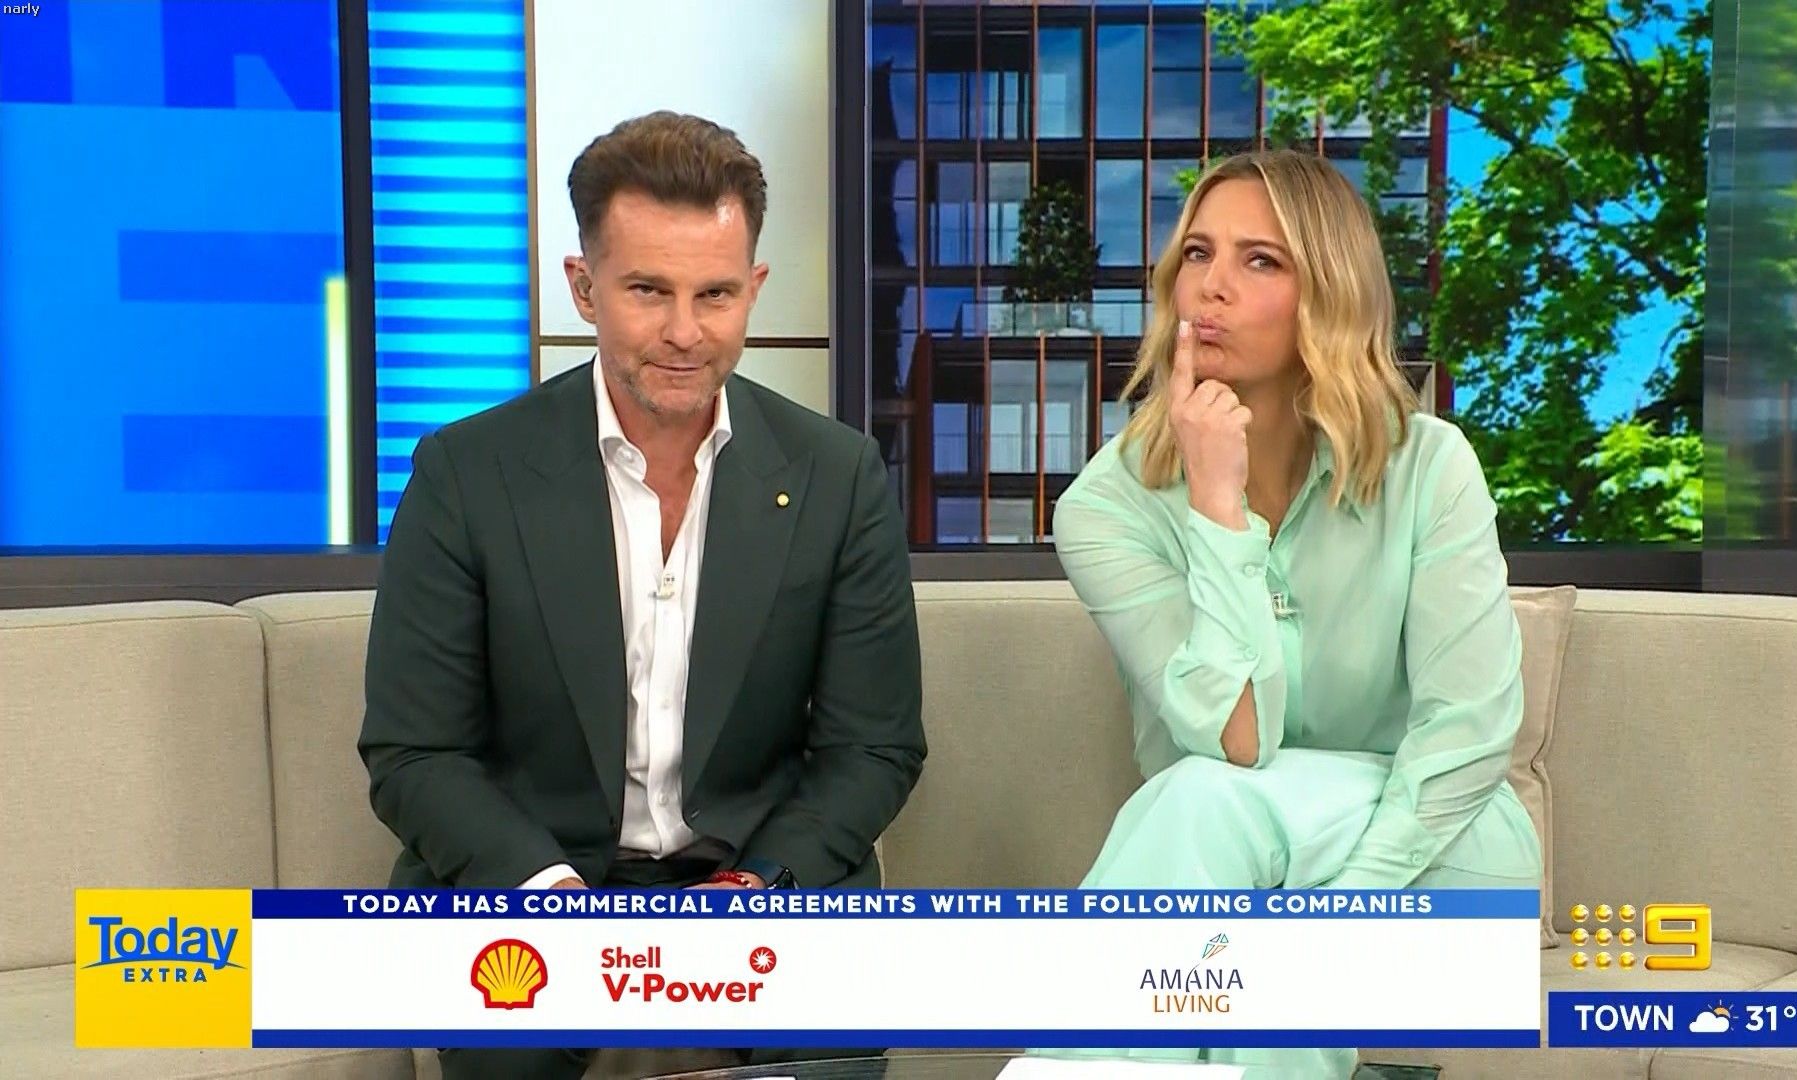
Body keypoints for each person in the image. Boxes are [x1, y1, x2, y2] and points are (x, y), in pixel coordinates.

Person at [358, 111, 925, 1080]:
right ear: (584, 287)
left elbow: (873, 748)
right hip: (536, 881)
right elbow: (415, 753)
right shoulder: (467, 473)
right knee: (509, 1039)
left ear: (753, 289)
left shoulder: (837, 478)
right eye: (648, 291)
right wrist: (551, 896)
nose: (684, 333)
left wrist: (752, 887)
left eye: (715, 295)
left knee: (832, 1039)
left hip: (756, 874)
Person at [1046, 149, 1543, 1077]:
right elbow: (1238, 737)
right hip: (1222, 868)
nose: (1212, 286)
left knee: (1204, 813)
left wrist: (1340, 909)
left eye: (1260, 260)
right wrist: (1216, 507)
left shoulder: (1430, 467)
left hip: (1440, 858)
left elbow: (1468, 735)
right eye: (1198, 254)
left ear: (1328, 295)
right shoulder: (1108, 509)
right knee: (1218, 833)